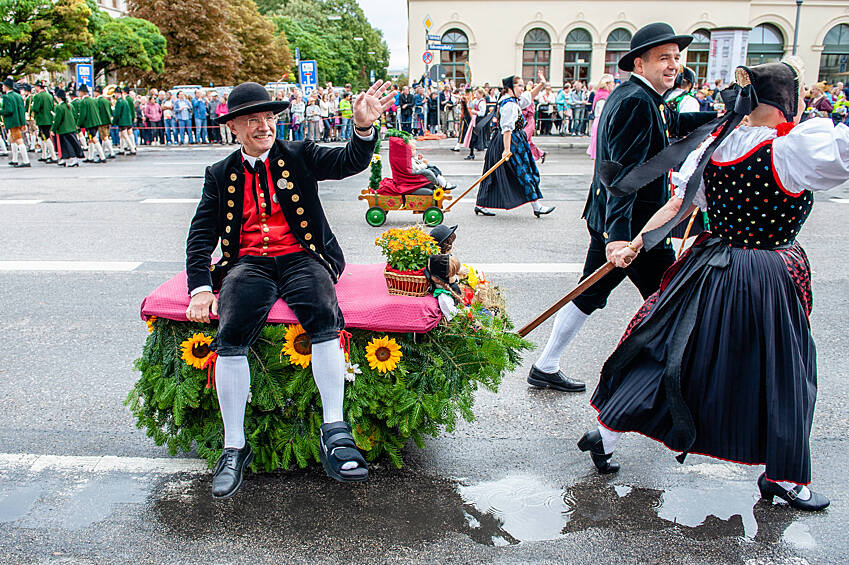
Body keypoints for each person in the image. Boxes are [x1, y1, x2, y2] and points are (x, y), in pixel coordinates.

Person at [581, 58, 848, 512]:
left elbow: (677, 206)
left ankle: (604, 432)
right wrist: (634, 243)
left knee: (666, 352)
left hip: (707, 264)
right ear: (787, 100)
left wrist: (638, 243)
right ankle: (785, 478)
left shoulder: (716, 146)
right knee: (785, 372)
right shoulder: (791, 149)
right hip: (766, 273)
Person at [184, 80, 395, 499]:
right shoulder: (220, 173)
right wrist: (199, 288)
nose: (264, 126)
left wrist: (363, 128)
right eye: (253, 121)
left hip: (303, 256)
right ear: (235, 128)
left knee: (321, 309)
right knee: (232, 331)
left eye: (269, 118)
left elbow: (348, 162)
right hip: (249, 263)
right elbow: (201, 233)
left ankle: (334, 430)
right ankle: (234, 446)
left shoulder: (299, 153)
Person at [528, 23, 717, 393]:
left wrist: (723, 119)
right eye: (664, 57)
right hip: (633, 227)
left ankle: (545, 365)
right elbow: (623, 176)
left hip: (625, 223)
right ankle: (678, 379)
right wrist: (617, 237)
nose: (673, 65)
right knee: (671, 295)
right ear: (640, 63)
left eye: (676, 58)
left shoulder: (643, 97)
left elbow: (671, 123)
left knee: (592, 293)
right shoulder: (635, 101)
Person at [474, 73, 555, 218]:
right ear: (510, 87)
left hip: (512, 140)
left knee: (495, 173)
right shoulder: (510, 105)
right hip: (510, 141)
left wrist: (541, 84)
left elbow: (529, 95)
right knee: (524, 172)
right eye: (519, 86)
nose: (522, 88)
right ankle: (537, 206)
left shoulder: (513, 100)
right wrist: (506, 150)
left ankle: (481, 205)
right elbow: (507, 129)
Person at [51, 87, 83, 167]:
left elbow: (58, 120)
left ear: (59, 98)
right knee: (72, 144)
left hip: (63, 129)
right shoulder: (70, 105)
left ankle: (72, 160)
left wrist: (53, 129)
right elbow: (74, 116)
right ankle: (66, 159)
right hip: (71, 128)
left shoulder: (59, 107)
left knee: (67, 146)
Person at [2, 78, 30, 167]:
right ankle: (14, 159)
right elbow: (21, 110)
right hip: (18, 121)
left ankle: (26, 161)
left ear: (6, 87)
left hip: (12, 121)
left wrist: (1, 111)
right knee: (12, 139)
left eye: (3, 86)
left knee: (18, 140)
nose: (2, 87)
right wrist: (23, 123)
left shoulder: (6, 97)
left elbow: (8, 110)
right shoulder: (18, 96)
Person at [586, 74, 614, 160]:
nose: (613, 84)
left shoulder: (600, 93)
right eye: (612, 82)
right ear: (608, 84)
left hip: (598, 120)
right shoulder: (604, 95)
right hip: (601, 120)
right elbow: (603, 111)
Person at [77, 84, 105, 163]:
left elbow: (82, 115)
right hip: (95, 121)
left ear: (82, 92)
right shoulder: (93, 100)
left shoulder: (83, 101)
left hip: (89, 123)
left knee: (93, 138)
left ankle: (102, 156)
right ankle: (90, 156)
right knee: (90, 139)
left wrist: (78, 124)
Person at [30, 81, 57, 164]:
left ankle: (53, 156)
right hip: (49, 118)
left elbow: (36, 109)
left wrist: (32, 107)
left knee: (46, 137)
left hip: (42, 119)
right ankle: (44, 155)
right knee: (42, 137)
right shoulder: (49, 96)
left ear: (38, 87)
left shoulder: (37, 96)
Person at [463, 87, 492, 161]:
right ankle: (471, 153)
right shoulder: (476, 100)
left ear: (481, 94)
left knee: (477, 137)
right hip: (475, 120)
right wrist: (469, 98)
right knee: (472, 137)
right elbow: (470, 105)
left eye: (477, 93)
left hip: (479, 121)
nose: (476, 95)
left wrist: (475, 112)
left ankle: (474, 153)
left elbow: (482, 113)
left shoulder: (482, 102)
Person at [113, 87, 137, 155]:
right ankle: (121, 149)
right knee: (121, 135)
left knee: (125, 135)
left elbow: (117, 113)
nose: (114, 95)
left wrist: (114, 121)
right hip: (127, 120)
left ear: (118, 94)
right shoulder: (125, 100)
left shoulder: (120, 101)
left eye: (115, 93)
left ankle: (132, 149)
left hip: (122, 121)